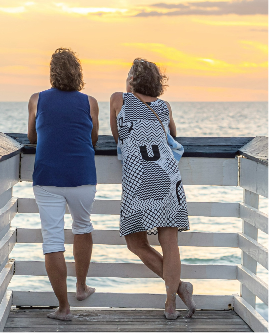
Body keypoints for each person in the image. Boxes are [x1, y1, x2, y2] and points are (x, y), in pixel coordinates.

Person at [110, 58, 196, 320]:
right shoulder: (164, 106)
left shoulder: (119, 99)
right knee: (169, 242)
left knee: (135, 242)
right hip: (167, 176)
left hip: (139, 179)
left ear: (132, 80)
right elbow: (172, 136)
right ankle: (171, 302)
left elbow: (118, 137)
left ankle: (179, 289)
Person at [28, 48, 99, 321]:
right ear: (78, 73)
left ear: (52, 72)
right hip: (82, 175)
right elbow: (92, 139)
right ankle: (81, 287)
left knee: (53, 241)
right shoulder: (89, 102)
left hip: (47, 177)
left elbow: (32, 137)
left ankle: (64, 308)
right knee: (83, 227)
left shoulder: (37, 99)